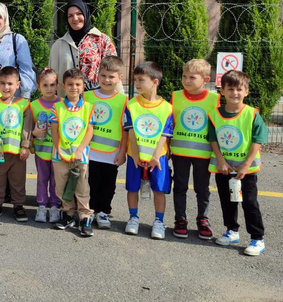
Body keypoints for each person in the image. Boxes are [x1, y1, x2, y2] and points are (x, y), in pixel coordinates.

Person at [208, 70, 267, 256]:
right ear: (222, 92)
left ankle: (257, 238)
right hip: (224, 168)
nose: (235, 93)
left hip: (246, 170)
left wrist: (246, 164)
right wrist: (220, 160)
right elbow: (213, 139)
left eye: (239, 89)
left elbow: (258, 140)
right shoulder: (214, 115)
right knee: (227, 201)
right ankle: (232, 231)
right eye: (230, 89)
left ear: (246, 92)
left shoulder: (252, 114)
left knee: (249, 203)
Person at [123, 62, 174, 240]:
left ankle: (159, 221)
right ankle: (133, 218)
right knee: (132, 188)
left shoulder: (167, 107)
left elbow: (165, 135)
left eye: (141, 80)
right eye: (135, 79)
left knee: (159, 189)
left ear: (155, 82)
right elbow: (130, 132)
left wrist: (155, 157)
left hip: (158, 158)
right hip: (134, 156)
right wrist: (136, 155)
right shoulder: (131, 104)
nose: (136, 83)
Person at [171, 59, 219, 240]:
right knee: (180, 187)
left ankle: (203, 220)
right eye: (184, 76)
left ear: (205, 80)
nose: (187, 80)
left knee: (202, 189)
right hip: (179, 153)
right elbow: (170, 124)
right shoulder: (176, 96)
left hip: (203, 154)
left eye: (192, 77)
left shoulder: (214, 99)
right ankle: (180, 219)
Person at [84, 56, 128, 230]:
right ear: (97, 75)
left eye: (111, 76)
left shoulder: (123, 101)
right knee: (91, 183)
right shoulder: (87, 96)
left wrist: (122, 152)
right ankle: (90, 209)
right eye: (103, 75)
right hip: (90, 151)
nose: (107, 80)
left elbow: (125, 129)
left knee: (108, 185)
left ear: (120, 78)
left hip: (112, 153)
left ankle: (103, 211)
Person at [50, 68, 95, 237]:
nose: (74, 88)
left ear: (83, 86)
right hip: (60, 155)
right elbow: (54, 131)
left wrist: (80, 150)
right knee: (61, 186)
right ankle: (67, 213)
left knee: (82, 186)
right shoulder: (57, 107)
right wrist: (59, 150)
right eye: (70, 84)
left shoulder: (88, 107)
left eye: (77, 84)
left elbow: (89, 131)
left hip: (80, 155)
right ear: (63, 86)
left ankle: (84, 216)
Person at [0, 66, 31, 222]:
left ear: (17, 85)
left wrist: (25, 145)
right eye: (3, 83)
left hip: (17, 151)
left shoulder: (23, 104)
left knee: (18, 180)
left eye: (10, 84)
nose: (6, 87)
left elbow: (27, 126)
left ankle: (18, 205)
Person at [48, 0, 120, 97]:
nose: (75, 18)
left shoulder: (102, 40)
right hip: (67, 102)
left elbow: (114, 71)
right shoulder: (58, 45)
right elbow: (51, 78)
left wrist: (121, 99)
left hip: (97, 101)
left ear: (86, 14)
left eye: (79, 13)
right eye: (70, 16)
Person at [30, 68, 63, 224]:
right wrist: (34, 134)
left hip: (58, 152)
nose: (49, 88)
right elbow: (29, 128)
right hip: (41, 151)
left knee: (56, 180)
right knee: (42, 179)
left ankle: (55, 206)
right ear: (38, 87)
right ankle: (42, 206)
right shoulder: (34, 105)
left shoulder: (63, 104)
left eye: (52, 85)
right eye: (45, 85)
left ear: (57, 85)